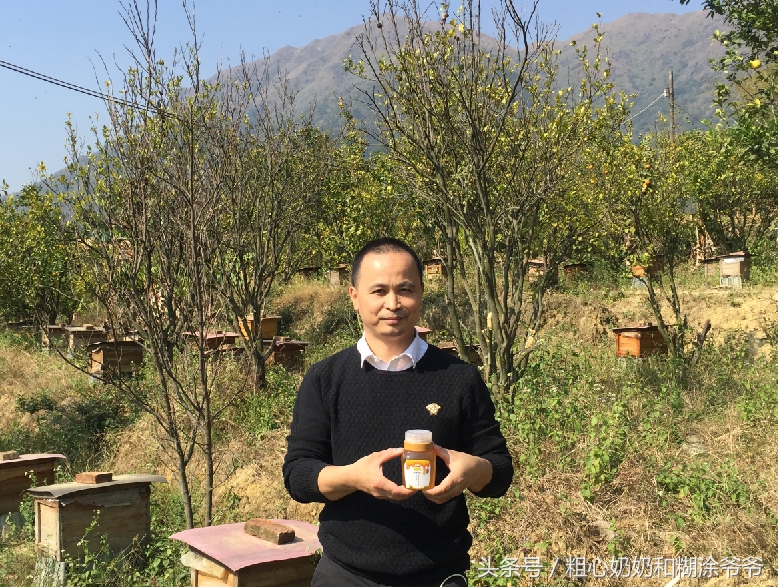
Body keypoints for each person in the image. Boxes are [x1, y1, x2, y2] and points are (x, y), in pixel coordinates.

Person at [283, 238, 513, 587]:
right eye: (378, 291)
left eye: (405, 289)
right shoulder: (325, 379)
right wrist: (353, 477)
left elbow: (499, 472)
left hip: (438, 574)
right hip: (345, 575)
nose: (393, 303)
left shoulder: (459, 378)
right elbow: (299, 476)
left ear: (421, 293)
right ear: (354, 298)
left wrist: (473, 470)